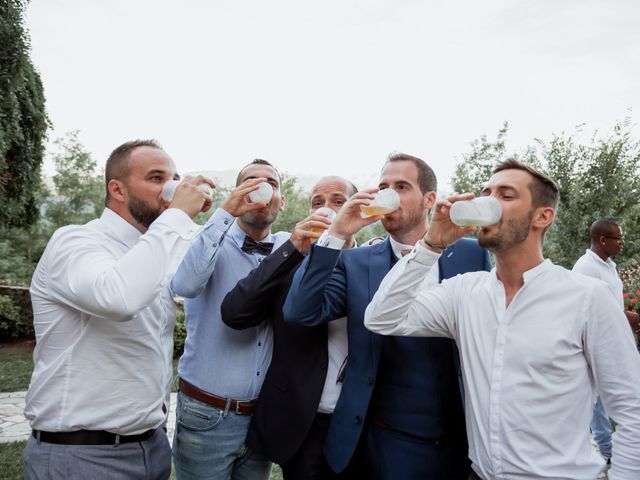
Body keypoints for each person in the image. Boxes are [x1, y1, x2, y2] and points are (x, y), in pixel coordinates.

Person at [365, 159, 640, 480]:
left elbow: (633, 411)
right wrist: (430, 245)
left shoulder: (587, 298)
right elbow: (382, 318)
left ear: (543, 216)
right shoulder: (464, 293)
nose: (490, 202)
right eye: (486, 193)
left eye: (506, 195)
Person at [283, 153, 491, 479]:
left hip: (462, 441)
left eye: (401, 186)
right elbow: (299, 311)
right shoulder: (356, 263)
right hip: (384, 440)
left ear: (429, 199)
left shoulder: (472, 253)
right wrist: (336, 232)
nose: (388, 194)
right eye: (383, 186)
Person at [23, 139, 214, 480]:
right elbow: (118, 298)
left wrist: (231, 213)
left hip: (151, 448)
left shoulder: (154, 250)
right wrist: (177, 215)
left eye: (174, 178)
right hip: (81, 456)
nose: (170, 187)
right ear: (118, 189)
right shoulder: (75, 242)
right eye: (156, 178)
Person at [221, 176, 357, 479]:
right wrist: (293, 250)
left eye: (338, 200)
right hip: (300, 422)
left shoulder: (372, 262)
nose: (327, 209)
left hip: (357, 422)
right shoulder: (291, 262)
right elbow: (235, 313)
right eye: (317, 202)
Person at [171, 159, 288, 480]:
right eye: (249, 181)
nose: (261, 187)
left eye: (271, 183)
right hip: (207, 413)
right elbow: (184, 285)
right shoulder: (206, 241)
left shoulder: (287, 248)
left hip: (262, 416)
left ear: (282, 201)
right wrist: (225, 213)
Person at [572, 219, 640, 472]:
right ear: (602, 240)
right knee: (594, 401)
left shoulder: (608, 266)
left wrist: (623, 316)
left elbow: (608, 304)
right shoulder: (585, 268)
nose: (622, 243)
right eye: (618, 238)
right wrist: (625, 317)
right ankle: (606, 452)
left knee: (615, 399)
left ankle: (610, 449)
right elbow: (585, 309)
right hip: (593, 343)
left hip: (612, 340)